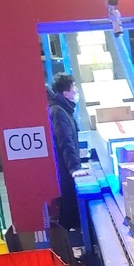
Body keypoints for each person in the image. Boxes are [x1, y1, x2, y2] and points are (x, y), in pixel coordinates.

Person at [46, 72, 88, 231]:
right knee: (68, 206)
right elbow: (65, 141)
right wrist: (74, 168)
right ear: (65, 93)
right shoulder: (58, 111)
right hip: (64, 169)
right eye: (73, 87)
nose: (76, 90)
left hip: (66, 167)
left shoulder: (64, 109)